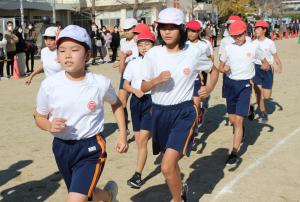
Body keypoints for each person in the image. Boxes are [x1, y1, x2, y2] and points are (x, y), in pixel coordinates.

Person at [34, 25, 128, 202]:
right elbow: (38, 116)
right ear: (57, 56)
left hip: (91, 148)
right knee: (85, 195)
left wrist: (122, 134)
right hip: (61, 147)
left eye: (74, 49)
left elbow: (116, 104)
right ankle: (108, 196)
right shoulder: (49, 85)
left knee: (76, 199)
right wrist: (48, 125)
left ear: (87, 55)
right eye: (62, 50)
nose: (67, 55)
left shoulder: (100, 83)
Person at [140, 8, 218, 202]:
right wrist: (156, 80)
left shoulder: (193, 52)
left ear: (181, 29)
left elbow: (213, 70)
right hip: (158, 113)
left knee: (166, 166)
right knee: (171, 163)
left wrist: (208, 88)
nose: (166, 32)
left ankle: (178, 199)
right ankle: (180, 189)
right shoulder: (153, 54)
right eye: (163, 27)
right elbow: (142, 86)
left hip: (184, 112)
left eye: (172, 28)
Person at [219, 20, 270, 166]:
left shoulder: (254, 47)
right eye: (234, 36)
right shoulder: (228, 48)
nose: (237, 38)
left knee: (239, 121)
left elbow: (264, 61)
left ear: (245, 33)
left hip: (245, 85)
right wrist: (224, 69)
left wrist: (266, 65)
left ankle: (234, 152)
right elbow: (220, 66)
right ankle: (245, 118)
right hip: (230, 84)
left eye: (240, 35)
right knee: (233, 120)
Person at [123, 31, 155, 189]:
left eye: (147, 44)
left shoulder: (158, 62)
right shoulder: (133, 63)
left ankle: (137, 174)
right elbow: (125, 84)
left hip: (152, 101)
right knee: (139, 142)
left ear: (154, 45)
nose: (143, 47)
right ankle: (156, 135)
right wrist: (134, 91)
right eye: (140, 44)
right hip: (136, 102)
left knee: (142, 140)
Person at [252, 20, 283, 122]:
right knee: (258, 93)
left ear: (264, 30)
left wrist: (279, 64)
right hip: (256, 68)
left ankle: (254, 107)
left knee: (267, 96)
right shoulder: (253, 44)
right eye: (255, 28)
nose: (256, 30)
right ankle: (263, 113)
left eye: (258, 28)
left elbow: (275, 55)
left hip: (268, 70)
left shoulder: (270, 43)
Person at [118, 18, 139, 134]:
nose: (126, 31)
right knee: (121, 103)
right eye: (124, 29)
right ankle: (125, 128)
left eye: (128, 29)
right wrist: (121, 61)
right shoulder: (122, 42)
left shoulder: (139, 39)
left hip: (138, 74)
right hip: (126, 74)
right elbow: (122, 56)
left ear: (134, 28)